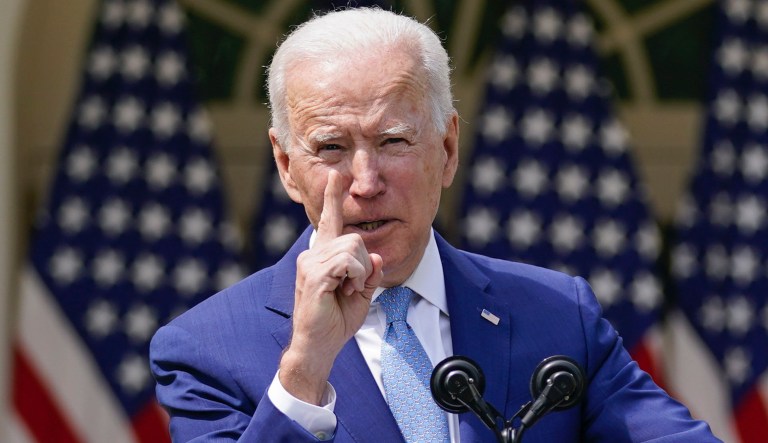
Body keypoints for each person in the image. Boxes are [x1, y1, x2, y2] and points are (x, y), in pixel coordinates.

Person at [150, 7, 720, 442]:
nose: (365, 181)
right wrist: (304, 368)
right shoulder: (206, 350)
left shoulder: (557, 314)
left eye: (393, 141)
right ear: (285, 167)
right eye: (331, 147)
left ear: (447, 149)